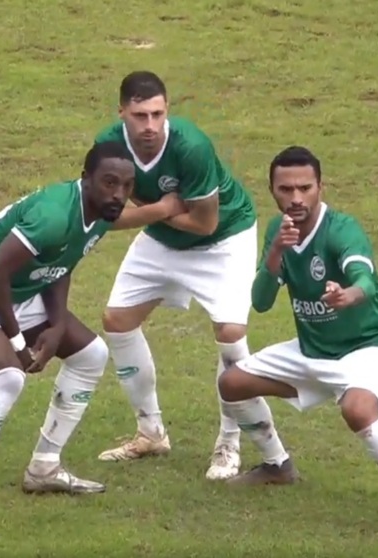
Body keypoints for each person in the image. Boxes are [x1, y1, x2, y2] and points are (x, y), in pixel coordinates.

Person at [0, 140, 186, 538]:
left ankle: (44, 467)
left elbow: (60, 264)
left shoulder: (101, 212)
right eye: (109, 182)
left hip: (16, 289)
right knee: (8, 379)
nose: (119, 194)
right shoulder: (53, 215)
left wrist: (58, 325)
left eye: (127, 185)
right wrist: (17, 343)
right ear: (86, 179)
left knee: (91, 355)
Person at [217, 145, 378, 548]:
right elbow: (261, 302)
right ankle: (277, 465)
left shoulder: (341, 230)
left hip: (373, 347)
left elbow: (365, 281)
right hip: (314, 350)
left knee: (357, 410)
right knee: (232, 383)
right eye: (286, 189)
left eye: (305, 188)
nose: (296, 198)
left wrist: (349, 294)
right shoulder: (278, 231)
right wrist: (277, 251)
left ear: (320, 187)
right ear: (272, 190)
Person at [93, 70, 260, 480]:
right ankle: (150, 433)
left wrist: (151, 212)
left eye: (157, 114)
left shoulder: (191, 146)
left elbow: (204, 223)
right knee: (117, 320)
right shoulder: (108, 147)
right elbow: (104, 217)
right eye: (140, 116)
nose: (150, 125)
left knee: (231, 334)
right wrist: (164, 209)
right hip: (163, 237)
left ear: (168, 109)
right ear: (121, 113)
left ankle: (229, 442)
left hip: (224, 239)